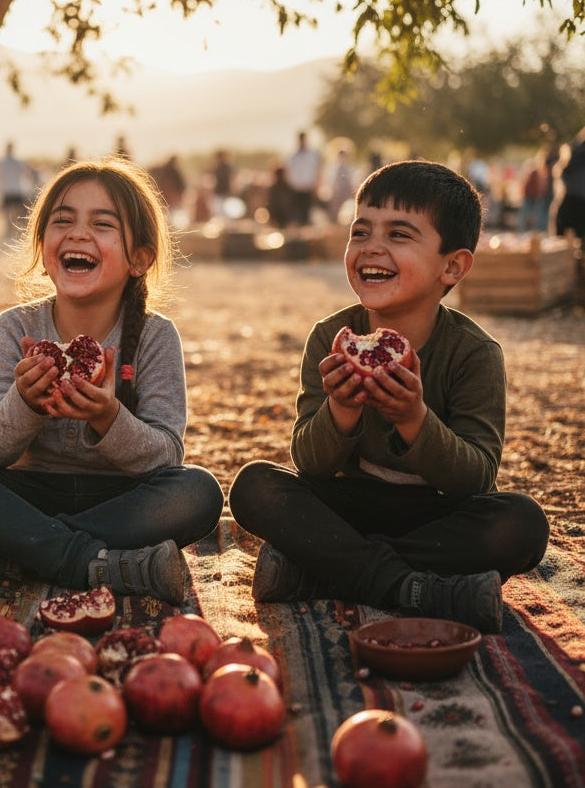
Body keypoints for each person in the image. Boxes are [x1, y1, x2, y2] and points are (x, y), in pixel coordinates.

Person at [228, 160, 549, 634]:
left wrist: (414, 419)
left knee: (521, 524)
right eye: (360, 232)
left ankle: (321, 571)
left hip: (434, 516)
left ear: (453, 266)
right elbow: (310, 463)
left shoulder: (474, 354)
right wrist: (340, 410)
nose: (371, 248)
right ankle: (414, 588)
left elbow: (476, 478)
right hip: (347, 505)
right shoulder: (330, 338)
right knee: (254, 486)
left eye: (400, 235)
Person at [0, 157, 225, 604]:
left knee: (197, 491)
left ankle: (15, 554)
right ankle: (92, 561)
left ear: (139, 258)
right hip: (29, 497)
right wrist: (24, 402)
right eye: (63, 221)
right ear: (44, 247)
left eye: (102, 224)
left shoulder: (157, 336)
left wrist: (109, 417)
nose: (78, 234)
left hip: (121, 501)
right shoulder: (15, 327)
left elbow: (167, 457)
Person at [284, 130, 322, 226]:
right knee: (296, 213)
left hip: (308, 188)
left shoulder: (312, 155)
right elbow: (288, 171)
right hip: (295, 189)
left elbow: (317, 171)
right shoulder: (292, 155)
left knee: (307, 212)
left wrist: (316, 186)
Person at [554, 127, 585, 241]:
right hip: (578, 201)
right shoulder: (576, 151)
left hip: (569, 199)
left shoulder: (573, 149)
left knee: (559, 240)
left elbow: (561, 172)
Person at [0, 141, 32, 239]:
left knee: (7, 212)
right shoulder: (18, 162)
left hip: (6, 189)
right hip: (16, 189)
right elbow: (25, 173)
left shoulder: (1, 162)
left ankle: (8, 231)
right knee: (15, 212)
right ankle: (13, 230)